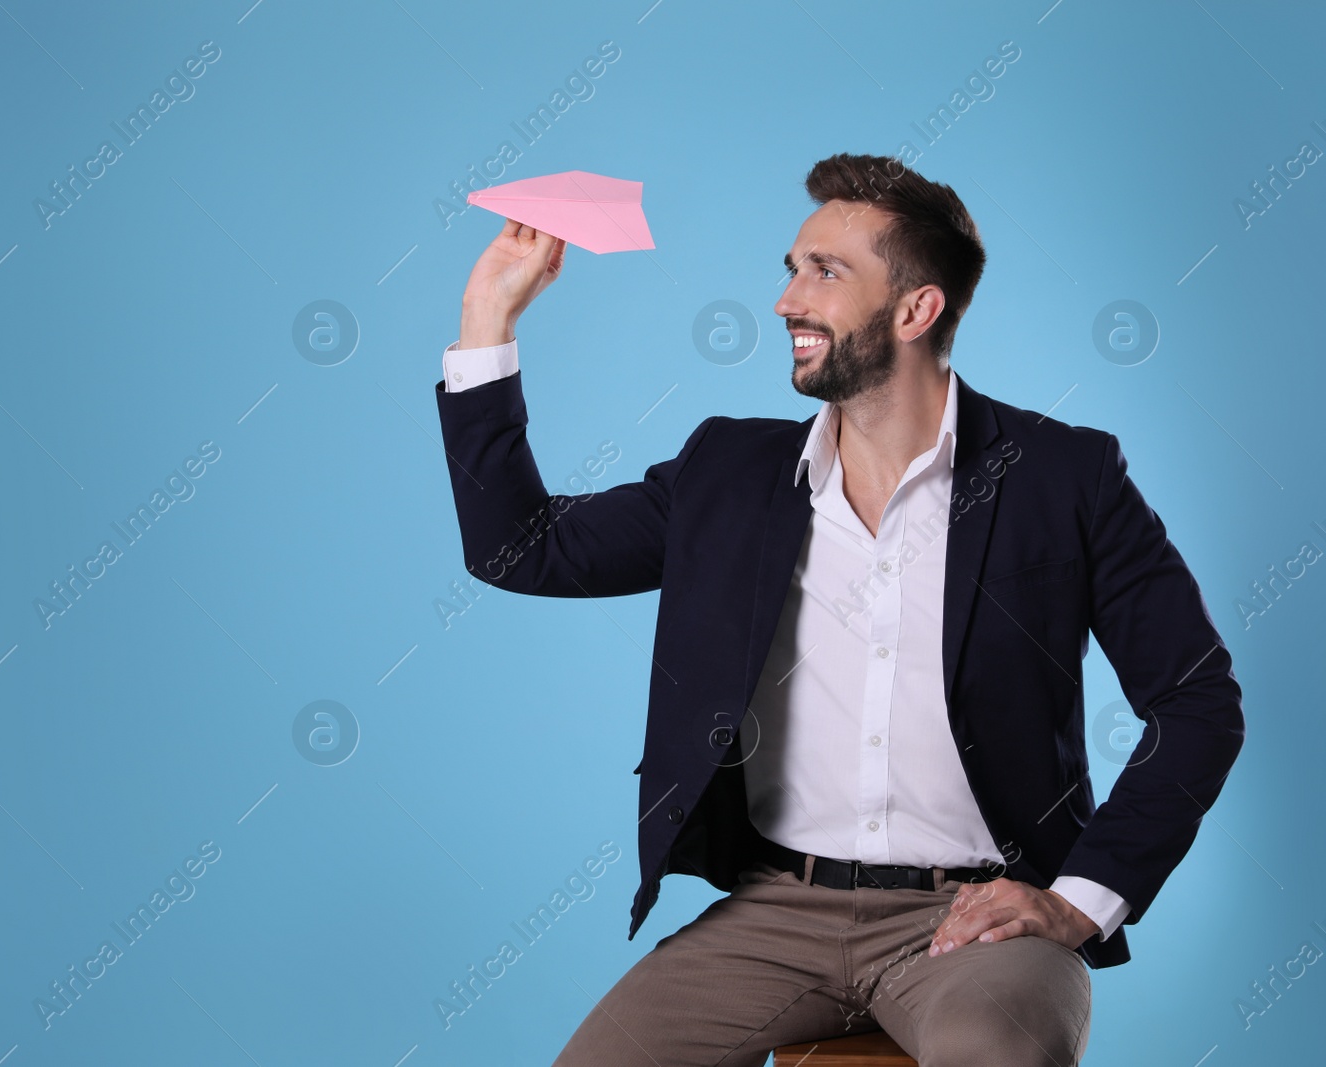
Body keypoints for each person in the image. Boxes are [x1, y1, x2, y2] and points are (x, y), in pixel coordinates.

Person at [431, 152, 1243, 1066]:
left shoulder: (1067, 478)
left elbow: (1198, 702)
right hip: (778, 909)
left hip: (978, 918)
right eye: (791, 268)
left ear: (915, 310)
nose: (785, 300)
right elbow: (521, 547)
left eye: (824, 272)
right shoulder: (728, 473)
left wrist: (1076, 897)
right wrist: (486, 317)